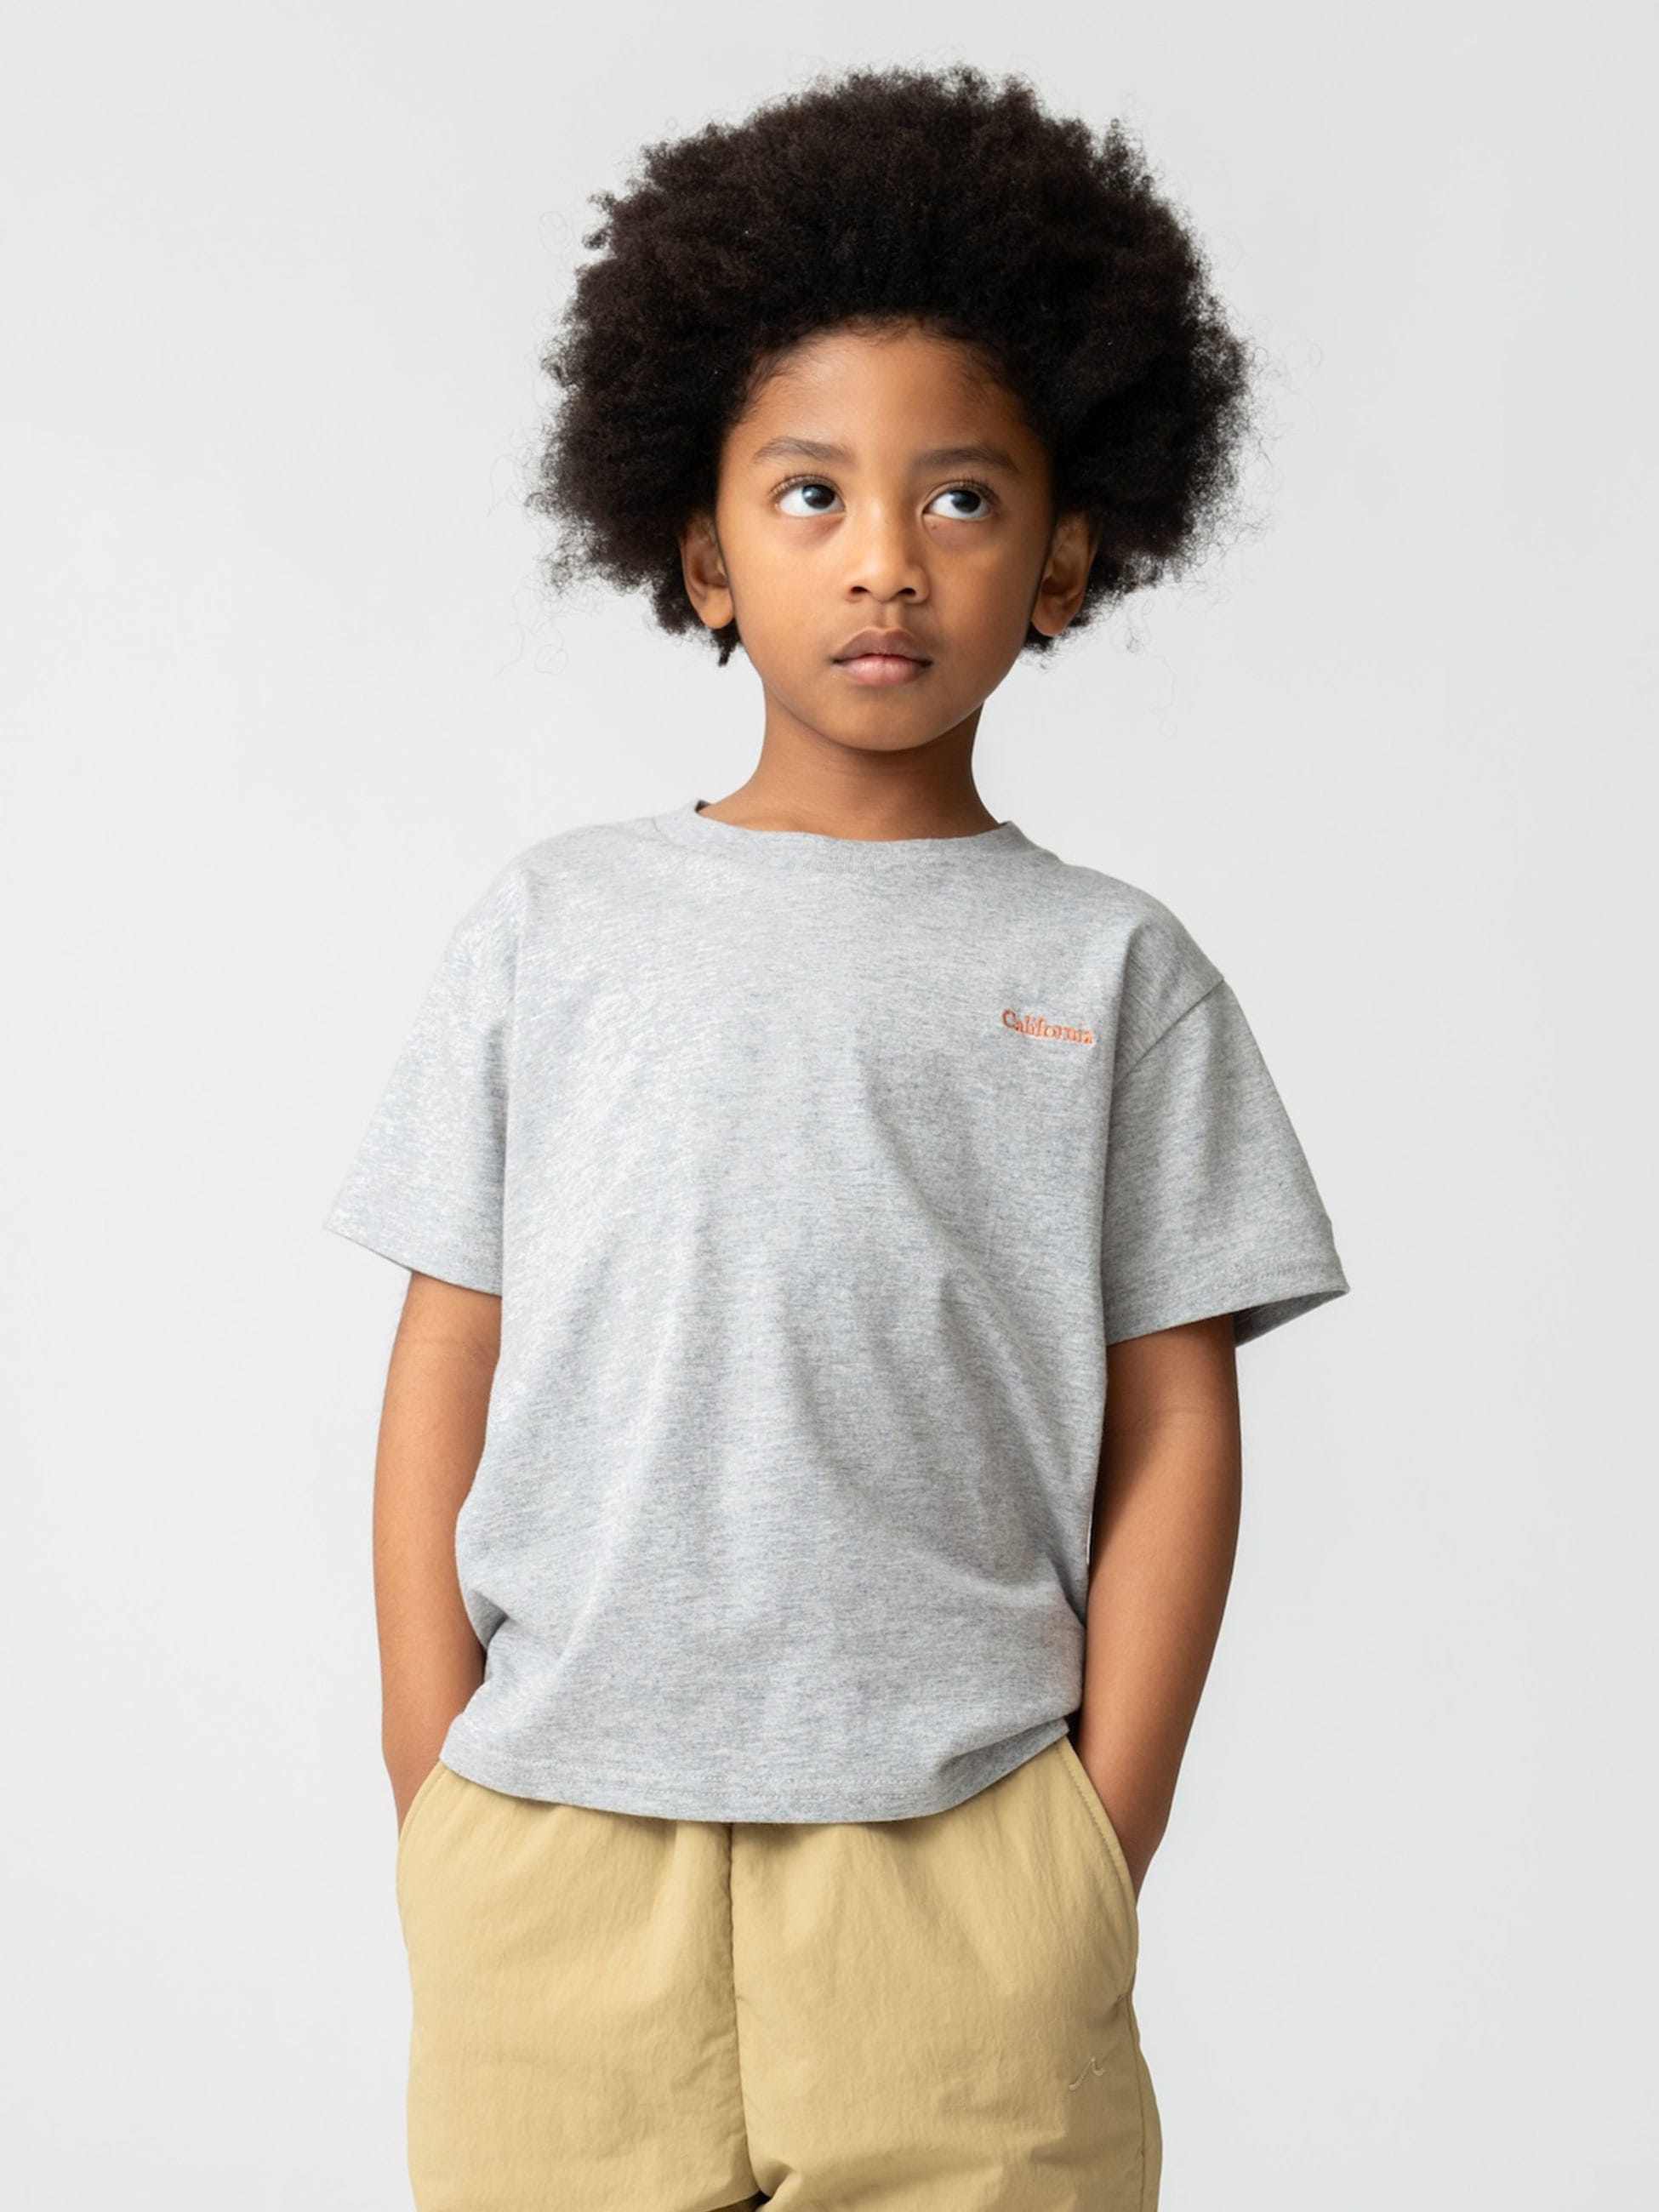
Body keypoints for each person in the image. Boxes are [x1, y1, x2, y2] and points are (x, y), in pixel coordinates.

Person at [323, 60, 1350, 2210]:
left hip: (964, 1870)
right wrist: (436, 1780)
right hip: (553, 1854)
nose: (886, 559)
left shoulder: (1115, 968)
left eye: (962, 498)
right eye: (811, 495)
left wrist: (1097, 1835)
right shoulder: (553, 926)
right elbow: (450, 1351)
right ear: (703, 551)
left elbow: (1178, 1415)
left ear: (1068, 555)